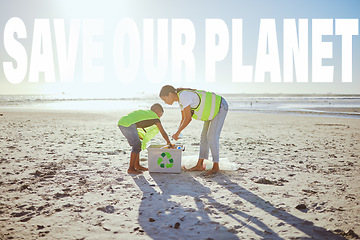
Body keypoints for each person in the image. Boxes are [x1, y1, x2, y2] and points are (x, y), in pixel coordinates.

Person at [159, 85, 228, 176]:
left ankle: (216, 166)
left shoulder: (184, 96)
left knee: (212, 137)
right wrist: (177, 132)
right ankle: (199, 165)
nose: (165, 102)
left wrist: (178, 132)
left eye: (165, 99)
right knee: (204, 138)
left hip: (219, 107)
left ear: (170, 94)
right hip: (210, 113)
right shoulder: (181, 101)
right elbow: (183, 118)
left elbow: (188, 118)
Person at [118, 103, 173, 174]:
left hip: (124, 122)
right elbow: (163, 132)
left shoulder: (146, 114)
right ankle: (131, 168)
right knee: (136, 145)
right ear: (157, 111)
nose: (160, 117)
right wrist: (168, 142)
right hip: (127, 124)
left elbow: (138, 122)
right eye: (161, 114)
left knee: (138, 145)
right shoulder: (154, 117)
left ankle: (137, 166)